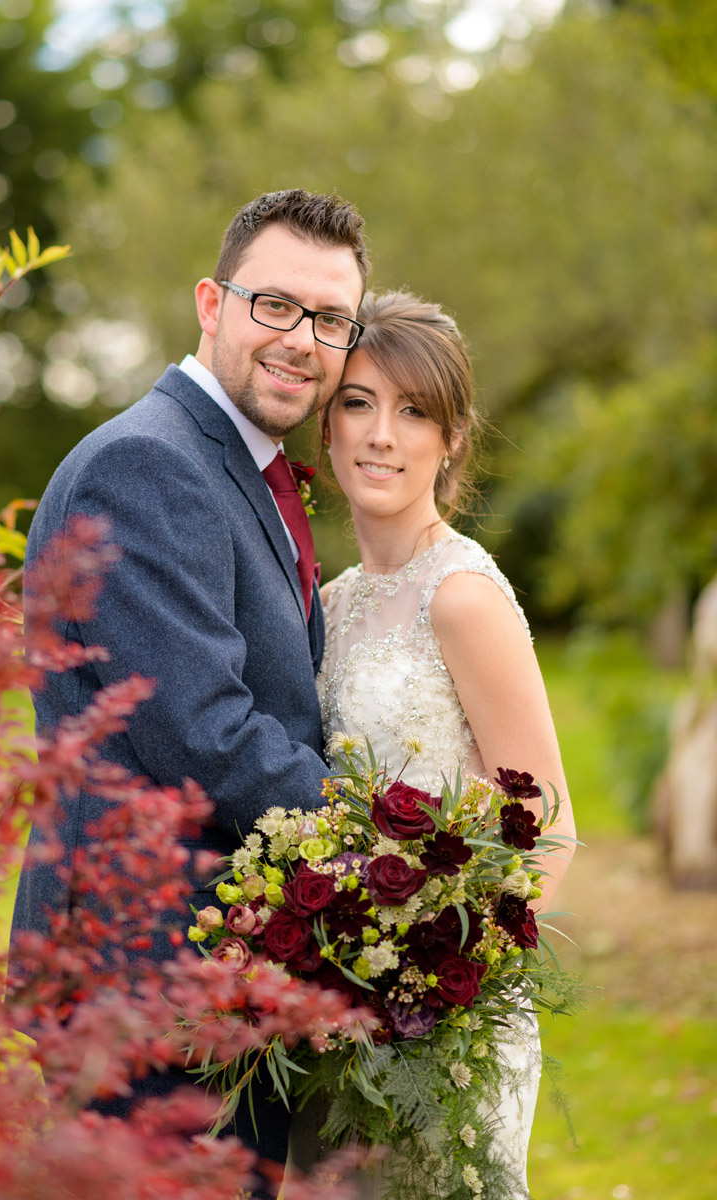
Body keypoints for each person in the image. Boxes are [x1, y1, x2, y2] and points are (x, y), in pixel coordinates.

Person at [9, 189, 368, 1186]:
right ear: (211, 304)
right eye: (276, 306)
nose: (303, 340)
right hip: (142, 990)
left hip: (203, 982)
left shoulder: (231, 468)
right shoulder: (148, 465)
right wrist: (388, 852)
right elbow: (206, 735)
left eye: (331, 319)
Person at [288, 289, 576, 1197]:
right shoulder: (325, 607)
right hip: (338, 1015)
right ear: (325, 426)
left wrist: (438, 986)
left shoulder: (461, 597)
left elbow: (551, 825)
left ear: (452, 438)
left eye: (415, 412)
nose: (382, 435)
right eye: (359, 403)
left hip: (447, 1029)